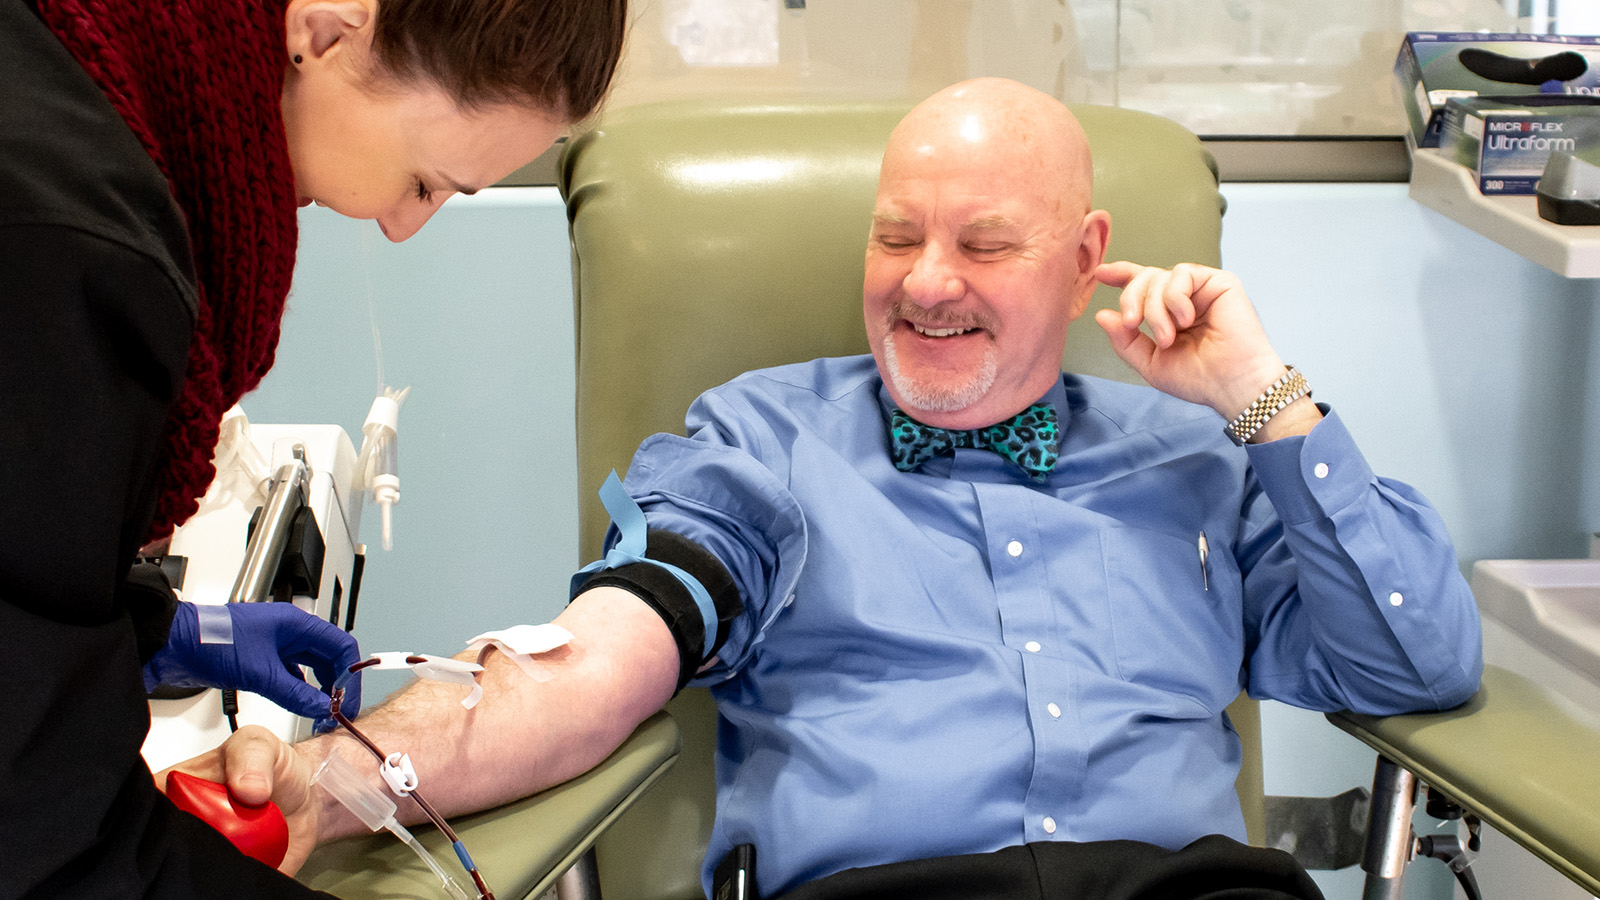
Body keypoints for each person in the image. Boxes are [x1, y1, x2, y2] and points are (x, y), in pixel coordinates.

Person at [190, 78, 1482, 898]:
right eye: (896, 234)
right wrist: (333, 782)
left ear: (1086, 258)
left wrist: (1268, 403)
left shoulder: (1200, 456)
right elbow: (598, 657)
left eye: (983, 244)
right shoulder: (759, 442)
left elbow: (1414, 663)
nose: (925, 281)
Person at [0, 0, 626, 896]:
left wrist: (146, 627)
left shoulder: (63, 63)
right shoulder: (75, 254)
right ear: (326, 31)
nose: (407, 227)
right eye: (424, 182)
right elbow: (47, 842)